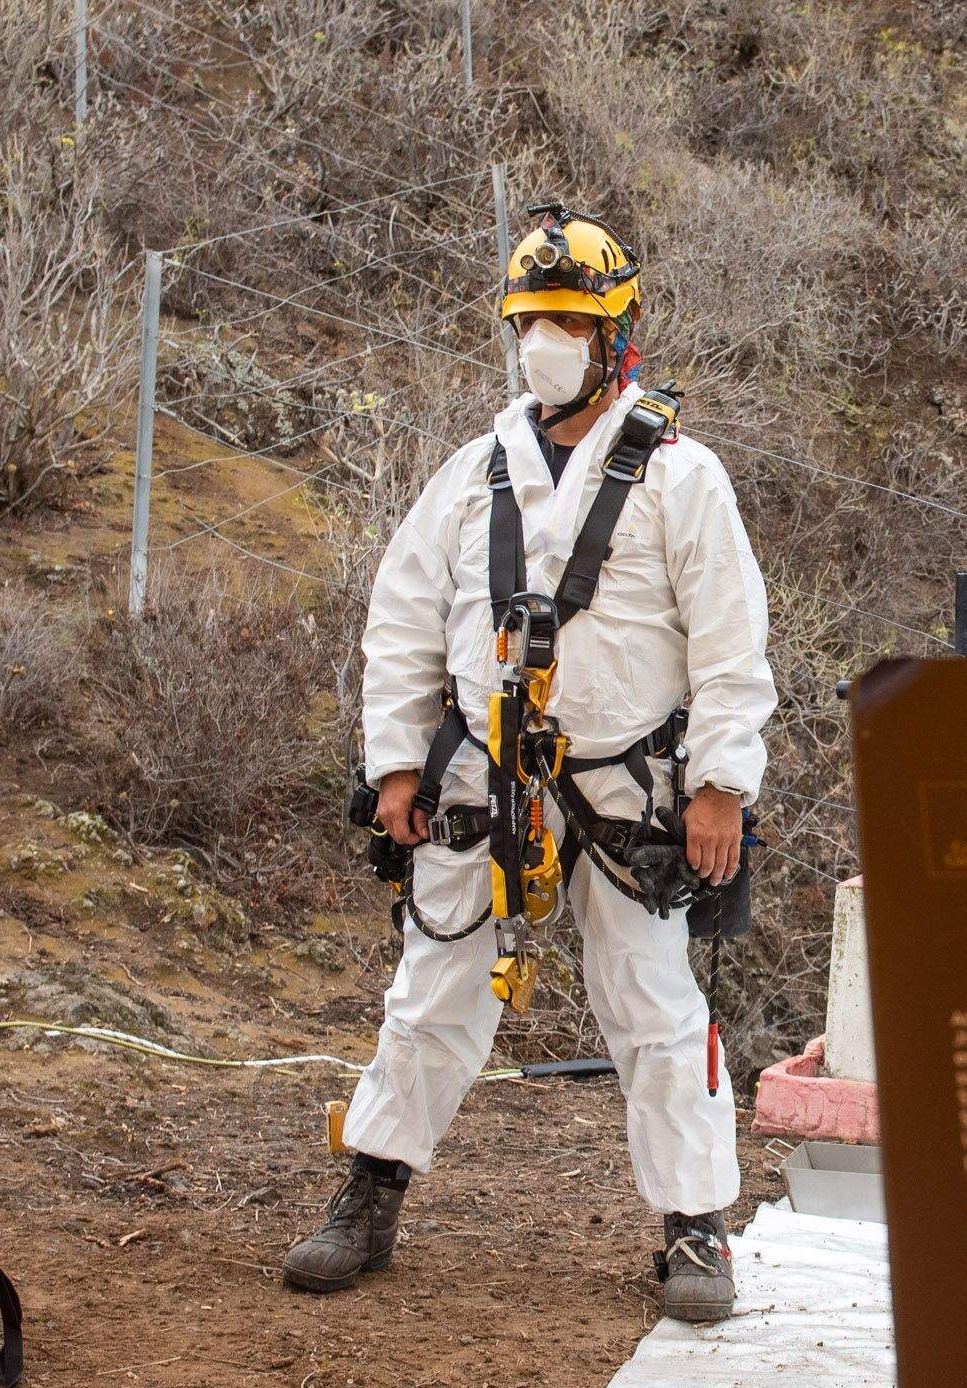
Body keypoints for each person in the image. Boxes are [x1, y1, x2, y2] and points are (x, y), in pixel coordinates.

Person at [283, 205, 775, 1323]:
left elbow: (733, 644)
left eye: (566, 318)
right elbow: (402, 621)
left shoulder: (682, 476)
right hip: (478, 777)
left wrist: (719, 786)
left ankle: (693, 1225)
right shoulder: (472, 473)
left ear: (615, 334)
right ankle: (370, 1187)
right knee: (431, 987)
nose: (543, 337)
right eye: (528, 318)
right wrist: (395, 767)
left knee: (652, 999)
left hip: (623, 786)